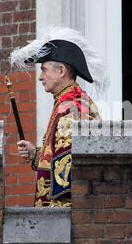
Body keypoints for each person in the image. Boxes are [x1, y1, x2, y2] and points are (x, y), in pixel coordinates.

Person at [9, 27, 107, 207]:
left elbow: (66, 176)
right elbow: (58, 157)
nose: (40, 77)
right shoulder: (68, 101)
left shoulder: (72, 105)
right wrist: (35, 154)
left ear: (60, 70)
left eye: (44, 70)